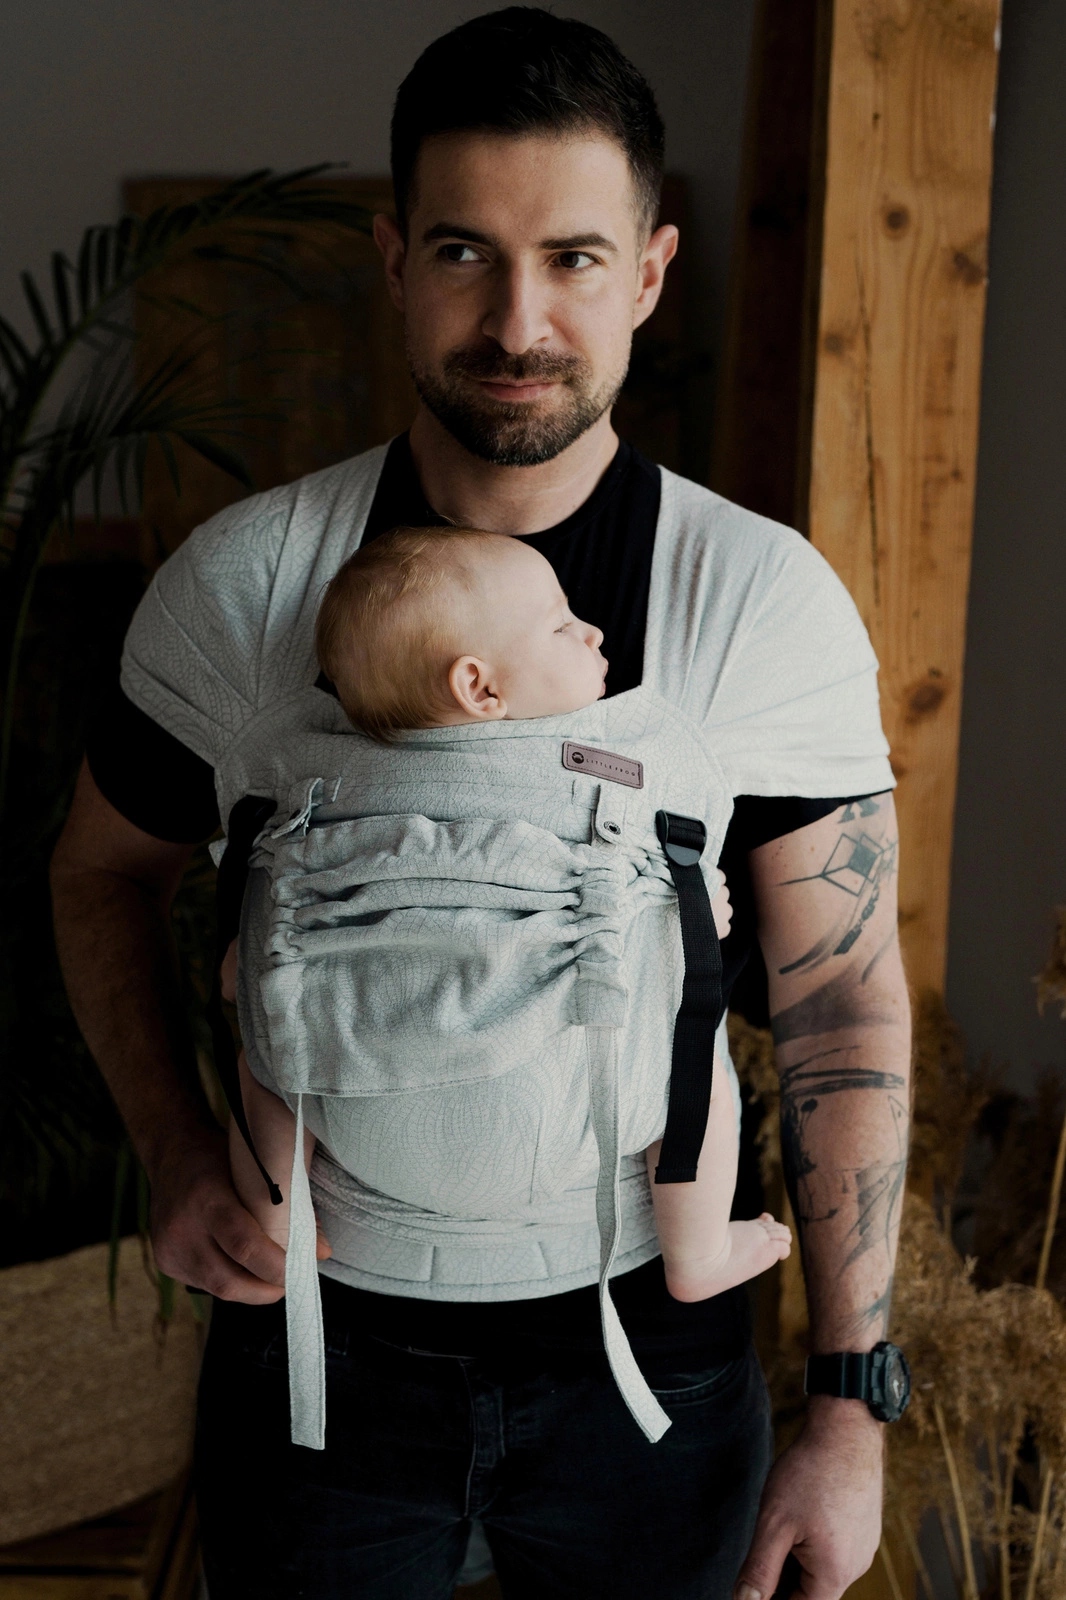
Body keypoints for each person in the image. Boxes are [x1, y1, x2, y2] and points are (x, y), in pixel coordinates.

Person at [51, 10, 911, 1598]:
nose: (518, 320)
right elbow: (100, 870)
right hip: (319, 1355)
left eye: (573, 258)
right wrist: (175, 1153)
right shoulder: (249, 588)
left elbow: (840, 995)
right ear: (394, 259)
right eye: (464, 252)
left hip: (652, 1365)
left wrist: (850, 1408)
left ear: (648, 272)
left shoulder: (756, 606)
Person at [226, 525, 791, 1324]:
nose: (593, 632)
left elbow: (253, 945)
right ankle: (697, 1250)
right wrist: (694, 914)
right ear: (480, 688)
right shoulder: (612, 776)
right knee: (696, 1039)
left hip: (355, 1116)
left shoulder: (327, 791)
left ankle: (279, 1220)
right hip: (579, 1121)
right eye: (562, 624)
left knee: (265, 1042)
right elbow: (672, 936)